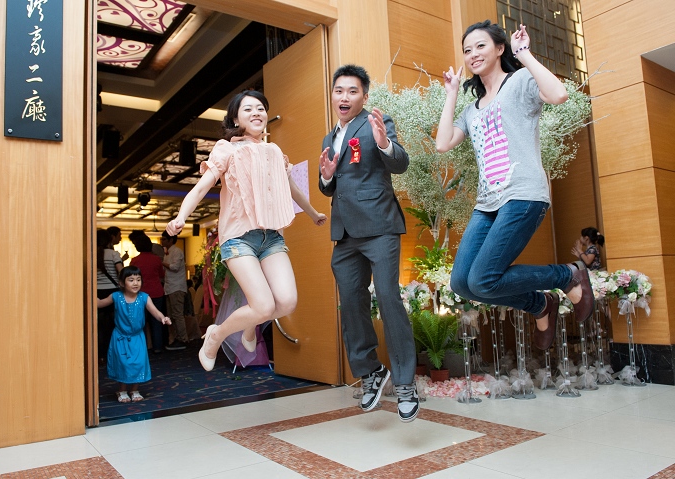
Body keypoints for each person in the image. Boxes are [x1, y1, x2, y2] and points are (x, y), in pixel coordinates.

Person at [434, 20, 595, 353]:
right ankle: (541, 304)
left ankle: (567, 276)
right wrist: (451, 94)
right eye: (467, 50)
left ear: (499, 48)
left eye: (480, 46)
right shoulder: (471, 110)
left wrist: (525, 55)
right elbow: (442, 143)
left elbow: (559, 94)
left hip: (523, 194)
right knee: (462, 283)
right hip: (487, 203)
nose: (473, 54)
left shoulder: (519, 81)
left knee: (482, 278)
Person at [166, 90, 327, 372]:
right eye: (248, 109)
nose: (257, 113)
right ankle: (216, 335)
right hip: (238, 239)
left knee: (287, 302)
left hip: (271, 238)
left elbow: (291, 188)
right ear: (235, 119)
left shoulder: (274, 151)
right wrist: (181, 217)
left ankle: (249, 327)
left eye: (261, 108)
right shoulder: (226, 150)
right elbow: (202, 187)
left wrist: (313, 214)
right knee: (263, 306)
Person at [318, 64, 419, 423]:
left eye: (352, 91)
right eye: (339, 91)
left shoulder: (377, 122)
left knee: (389, 298)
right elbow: (329, 185)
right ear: (333, 95)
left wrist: (384, 144)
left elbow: (400, 163)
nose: (344, 97)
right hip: (345, 233)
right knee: (350, 303)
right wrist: (326, 179)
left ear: (363, 96)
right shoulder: (329, 137)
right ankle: (371, 371)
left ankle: (405, 383)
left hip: (379, 227)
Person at [96, 266, 171, 403]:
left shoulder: (144, 297)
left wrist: (163, 318)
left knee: (138, 362)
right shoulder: (116, 296)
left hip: (137, 337)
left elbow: (155, 311)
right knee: (123, 363)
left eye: (138, 279)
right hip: (120, 337)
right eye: (131, 280)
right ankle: (122, 390)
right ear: (121, 283)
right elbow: (100, 303)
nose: (135, 283)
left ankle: (135, 390)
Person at [128, 232, 167, 353]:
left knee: (141, 322)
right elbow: (161, 274)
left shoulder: (134, 261)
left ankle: (143, 348)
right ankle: (158, 347)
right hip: (156, 292)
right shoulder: (156, 259)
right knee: (157, 320)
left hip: (140, 294)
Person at [96, 229, 123, 362]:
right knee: (114, 325)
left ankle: (100, 354)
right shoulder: (113, 254)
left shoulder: (92, 254)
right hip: (113, 291)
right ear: (108, 240)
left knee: (99, 326)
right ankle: (113, 354)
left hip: (97, 292)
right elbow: (121, 272)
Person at [161, 232, 189, 351]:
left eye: (164, 239)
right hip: (169, 287)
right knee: (171, 315)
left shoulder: (177, 251)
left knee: (177, 315)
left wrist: (161, 262)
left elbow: (175, 267)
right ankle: (177, 338)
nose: (162, 241)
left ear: (171, 240)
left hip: (177, 287)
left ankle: (183, 339)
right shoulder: (167, 253)